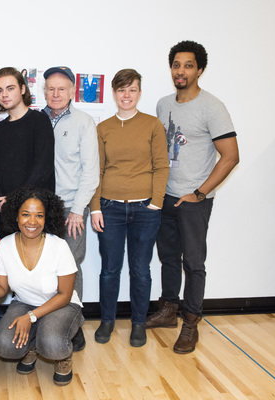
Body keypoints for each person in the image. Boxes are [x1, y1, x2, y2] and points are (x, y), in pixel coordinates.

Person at [147, 40, 239, 354]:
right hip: (166, 197)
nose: (181, 71)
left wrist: (199, 193)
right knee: (168, 258)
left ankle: (190, 322)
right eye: (176, 65)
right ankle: (169, 310)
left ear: (200, 69)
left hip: (194, 201)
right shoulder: (163, 104)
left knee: (194, 263)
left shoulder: (212, 107)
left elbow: (230, 156)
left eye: (188, 65)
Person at [0, 187, 84, 387]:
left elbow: (65, 295)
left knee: (52, 344)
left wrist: (31, 317)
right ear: (16, 216)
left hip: (61, 305)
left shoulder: (58, 246)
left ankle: (62, 356)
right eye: (26, 215)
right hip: (24, 303)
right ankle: (32, 343)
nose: (32, 222)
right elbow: (1, 287)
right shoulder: (4, 245)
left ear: (46, 218)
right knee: (3, 346)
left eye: (39, 216)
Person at [90, 69, 169, 347]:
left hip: (145, 210)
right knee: (110, 269)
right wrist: (95, 207)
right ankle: (107, 320)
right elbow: (95, 170)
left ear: (139, 93)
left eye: (132, 90)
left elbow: (161, 166)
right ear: (113, 93)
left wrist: (156, 202)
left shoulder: (152, 125)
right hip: (109, 209)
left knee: (140, 269)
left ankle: (138, 323)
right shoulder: (103, 129)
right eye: (121, 90)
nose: (126, 95)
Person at [42, 66, 99, 350]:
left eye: (61, 88)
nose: (55, 93)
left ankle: (72, 325)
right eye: (50, 88)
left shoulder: (84, 122)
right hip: (39, 210)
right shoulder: (35, 120)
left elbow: (91, 171)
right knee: (41, 268)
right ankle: (45, 323)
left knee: (70, 268)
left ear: (72, 92)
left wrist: (78, 209)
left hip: (70, 210)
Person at [0, 67, 55, 236]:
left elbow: (42, 166)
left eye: (10, 88)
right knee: (11, 261)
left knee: (38, 261)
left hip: (35, 209)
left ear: (23, 89)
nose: (4, 95)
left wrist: (14, 199)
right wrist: (0, 201)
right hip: (5, 212)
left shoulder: (40, 121)